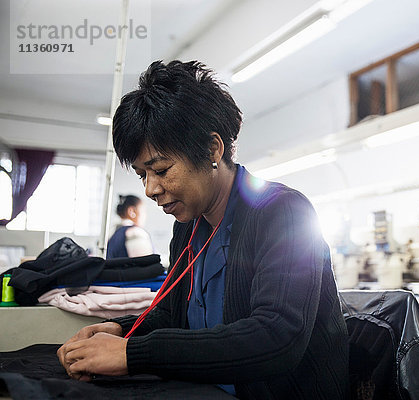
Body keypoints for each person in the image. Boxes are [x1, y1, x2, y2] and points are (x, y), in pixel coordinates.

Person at [57, 60, 349, 399]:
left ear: (212, 150)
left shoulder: (283, 213)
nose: (150, 189)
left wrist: (132, 355)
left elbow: (276, 336)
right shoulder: (189, 226)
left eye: (162, 170)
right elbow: (172, 314)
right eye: (142, 175)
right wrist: (121, 332)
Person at [106, 195, 154, 259]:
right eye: (143, 211)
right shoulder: (135, 232)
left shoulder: (112, 233)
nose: (145, 216)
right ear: (132, 212)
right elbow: (146, 263)